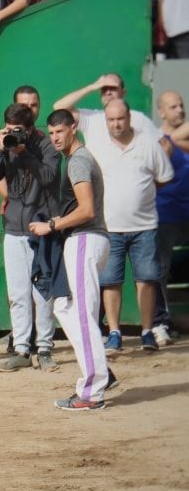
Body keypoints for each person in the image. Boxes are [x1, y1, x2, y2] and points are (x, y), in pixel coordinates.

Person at [33, 111, 112, 410]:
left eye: (60, 131)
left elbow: (87, 210)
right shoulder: (77, 158)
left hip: (85, 240)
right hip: (88, 241)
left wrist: (52, 225)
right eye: (51, 132)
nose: (55, 138)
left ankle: (92, 391)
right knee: (71, 310)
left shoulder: (78, 160)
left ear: (74, 128)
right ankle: (102, 373)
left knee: (75, 313)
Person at [83, 99, 173, 352]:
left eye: (120, 119)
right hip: (109, 228)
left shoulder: (148, 145)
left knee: (146, 279)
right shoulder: (97, 146)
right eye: (111, 120)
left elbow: (164, 177)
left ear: (129, 118)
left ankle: (146, 332)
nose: (116, 124)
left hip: (145, 226)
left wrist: (141, 195)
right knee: (111, 281)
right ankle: (114, 333)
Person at [0, 102, 61, 372]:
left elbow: (49, 176)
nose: (13, 134)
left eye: (18, 130)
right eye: (9, 129)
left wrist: (24, 152)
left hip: (40, 228)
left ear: (30, 129)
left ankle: (44, 348)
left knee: (42, 292)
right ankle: (21, 349)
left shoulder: (45, 145)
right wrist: (0, 150)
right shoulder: (5, 143)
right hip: (14, 228)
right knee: (17, 292)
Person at [151, 91, 189, 345]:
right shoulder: (158, 139)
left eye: (182, 105)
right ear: (161, 111)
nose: (179, 110)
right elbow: (171, 139)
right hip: (165, 214)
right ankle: (160, 322)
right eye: (173, 107)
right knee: (160, 269)